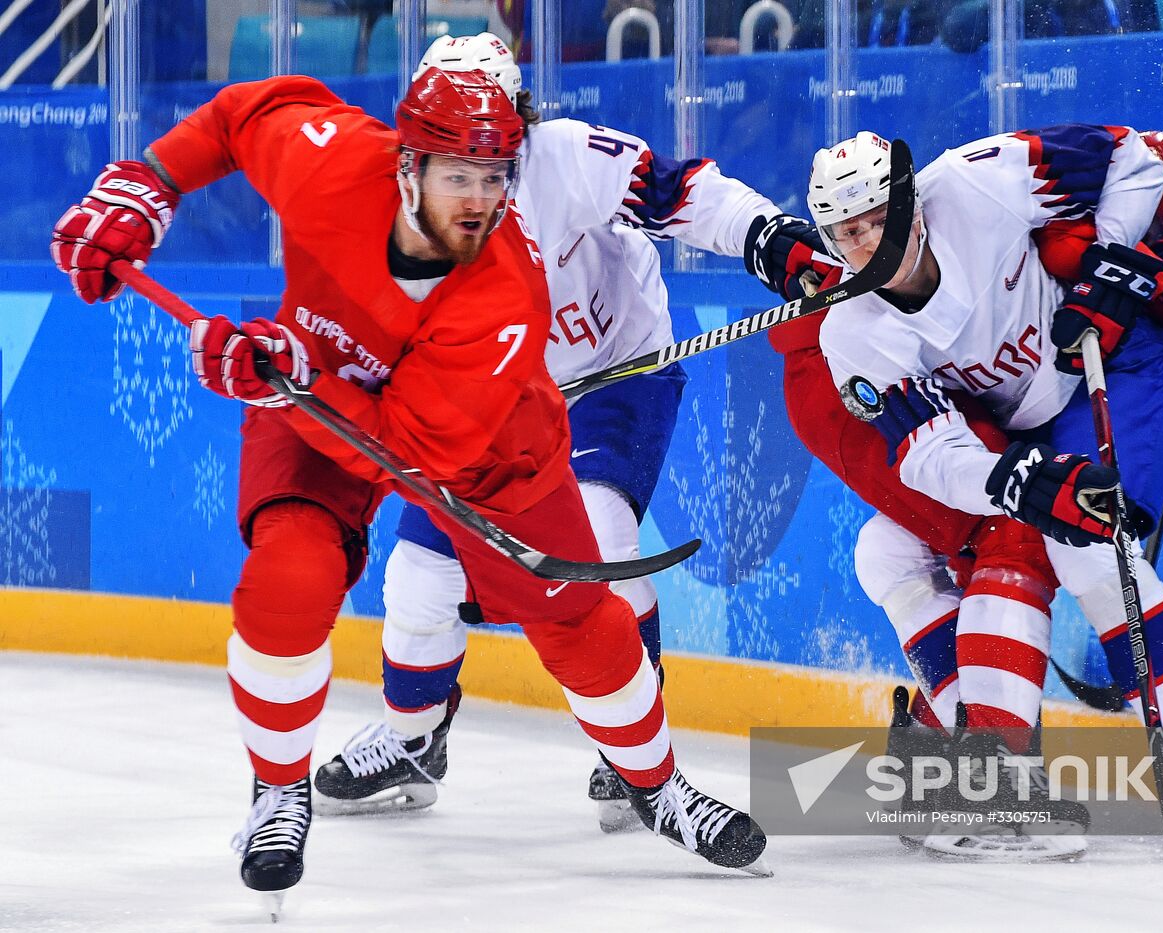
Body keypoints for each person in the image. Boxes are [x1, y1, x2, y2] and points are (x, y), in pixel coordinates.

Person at [49, 67, 769, 912]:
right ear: (406, 167)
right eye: (458, 176)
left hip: (481, 448)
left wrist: (284, 377)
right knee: (289, 579)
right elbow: (249, 111)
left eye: (496, 178)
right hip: (312, 386)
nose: (479, 199)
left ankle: (658, 785)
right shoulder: (333, 164)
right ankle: (279, 792)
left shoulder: (504, 295)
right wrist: (148, 185)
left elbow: (409, 450)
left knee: (582, 625)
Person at [310, 32, 790, 834]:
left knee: (596, 544)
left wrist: (767, 235)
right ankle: (413, 742)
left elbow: (679, 192)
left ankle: (633, 748)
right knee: (415, 584)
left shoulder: (566, 157)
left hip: (613, 379)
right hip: (492, 411)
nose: (464, 149)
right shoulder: (407, 200)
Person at [791, 124, 1163, 848]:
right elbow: (927, 452)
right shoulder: (852, 330)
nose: (868, 242)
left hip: (1101, 366)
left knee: (1090, 549)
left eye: (880, 217)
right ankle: (961, 759)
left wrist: (1107, 265)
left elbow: (1131, 157)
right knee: (889, 547)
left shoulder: (978, 181)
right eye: (847, 231)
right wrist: (1014, 481)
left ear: (912, 201)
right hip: (1017, 423)